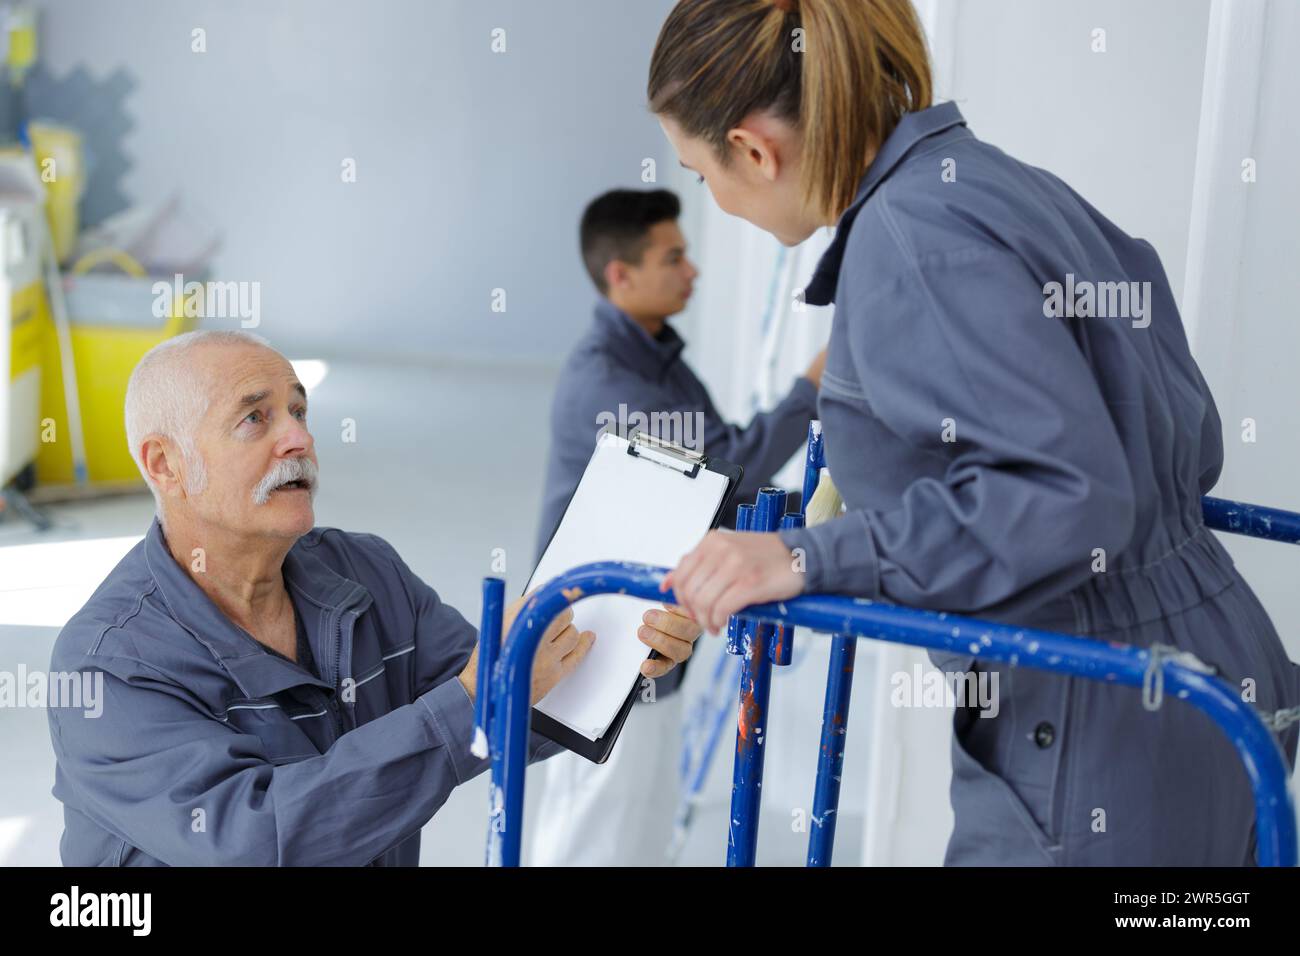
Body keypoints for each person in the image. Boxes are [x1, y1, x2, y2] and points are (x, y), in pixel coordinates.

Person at [651, 0, 1300, 865]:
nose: (716, 200)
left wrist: (809, 559)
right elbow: (1173, 442)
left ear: (753, 151)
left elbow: (1070, 496)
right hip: (1222, 672)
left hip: (1098, 709)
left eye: (702, 175)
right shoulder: (995, 184)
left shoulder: (908, 240)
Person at [47, 329, 701, 866]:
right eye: (255, 418)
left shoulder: (365, 573)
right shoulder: (108, 665)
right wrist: (475, 701)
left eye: (299, 410)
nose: (298, 438)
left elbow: (510, 707)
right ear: (164, 464)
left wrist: (619, 652)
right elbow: (254, 842)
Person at [528, 188, 823, 865]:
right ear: (620, 275)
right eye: (674, 258)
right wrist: (814, 382)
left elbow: (717, 474)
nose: (692, 272)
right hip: (600, 646)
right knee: (596, 836)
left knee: (630, 827)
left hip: (643, 641)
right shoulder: (606, 379)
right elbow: (732, 465)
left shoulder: (656, 356)